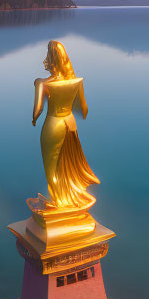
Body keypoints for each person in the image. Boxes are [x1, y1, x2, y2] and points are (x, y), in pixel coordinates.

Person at [32, 40, 100, 210]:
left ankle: (58, 202)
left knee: (52, 165)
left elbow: (37, 111)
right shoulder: (76, 81)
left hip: (53, 124)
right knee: (68, 162)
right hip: (70, 123)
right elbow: (84, 110)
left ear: (51, 58)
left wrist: (33, 120)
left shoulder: (42, 83)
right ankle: (68, 198)